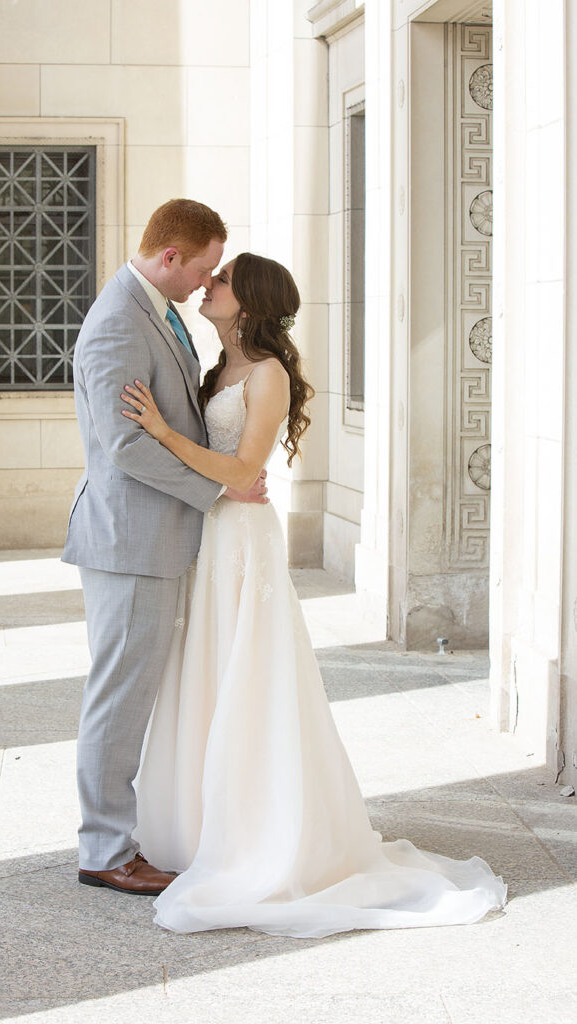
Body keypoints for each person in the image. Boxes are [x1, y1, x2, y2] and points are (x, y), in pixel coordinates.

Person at [120, 252, 508, 938]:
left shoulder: (266, 375)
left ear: (250, 303)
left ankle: (262, 830)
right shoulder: (222, 368)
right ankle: (202, 820)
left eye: (223, 280)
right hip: (213, 535)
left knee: (251, 677)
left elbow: (244, 470)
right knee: (209, 672)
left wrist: (161, 432)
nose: (208, 286)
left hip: (243, 540)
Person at [62, 200, 267, 897]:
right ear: (171, 257)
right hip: (130, 541)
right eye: (204, 269)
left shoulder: (156, 307)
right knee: (119, 697)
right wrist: (219, 492)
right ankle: (106, 850)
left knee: (137, 692)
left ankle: (125, 834)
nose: (204, 284)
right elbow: (123, 448)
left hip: (154, 538)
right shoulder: (119, 321)